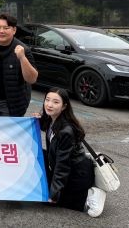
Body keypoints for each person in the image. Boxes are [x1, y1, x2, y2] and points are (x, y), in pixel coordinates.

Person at [38, 87, 106, 217]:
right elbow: (45, 127)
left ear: (64, 106)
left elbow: (62, 165)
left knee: (50, 201)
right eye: (47, 100)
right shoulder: (52, 119)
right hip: (66, 168)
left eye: (55, 102)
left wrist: (54, 193)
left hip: (77, 173)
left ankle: (91, 195)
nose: (49, 105)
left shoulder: (66, 131)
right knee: (39, 153)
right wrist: (37, 119)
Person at [0, 13, 38, 116]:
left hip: (12, 104)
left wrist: (22, 58)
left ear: (14, 30)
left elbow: (32, 79)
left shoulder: (23, 49)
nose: (1, 31)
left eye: (6, 28)